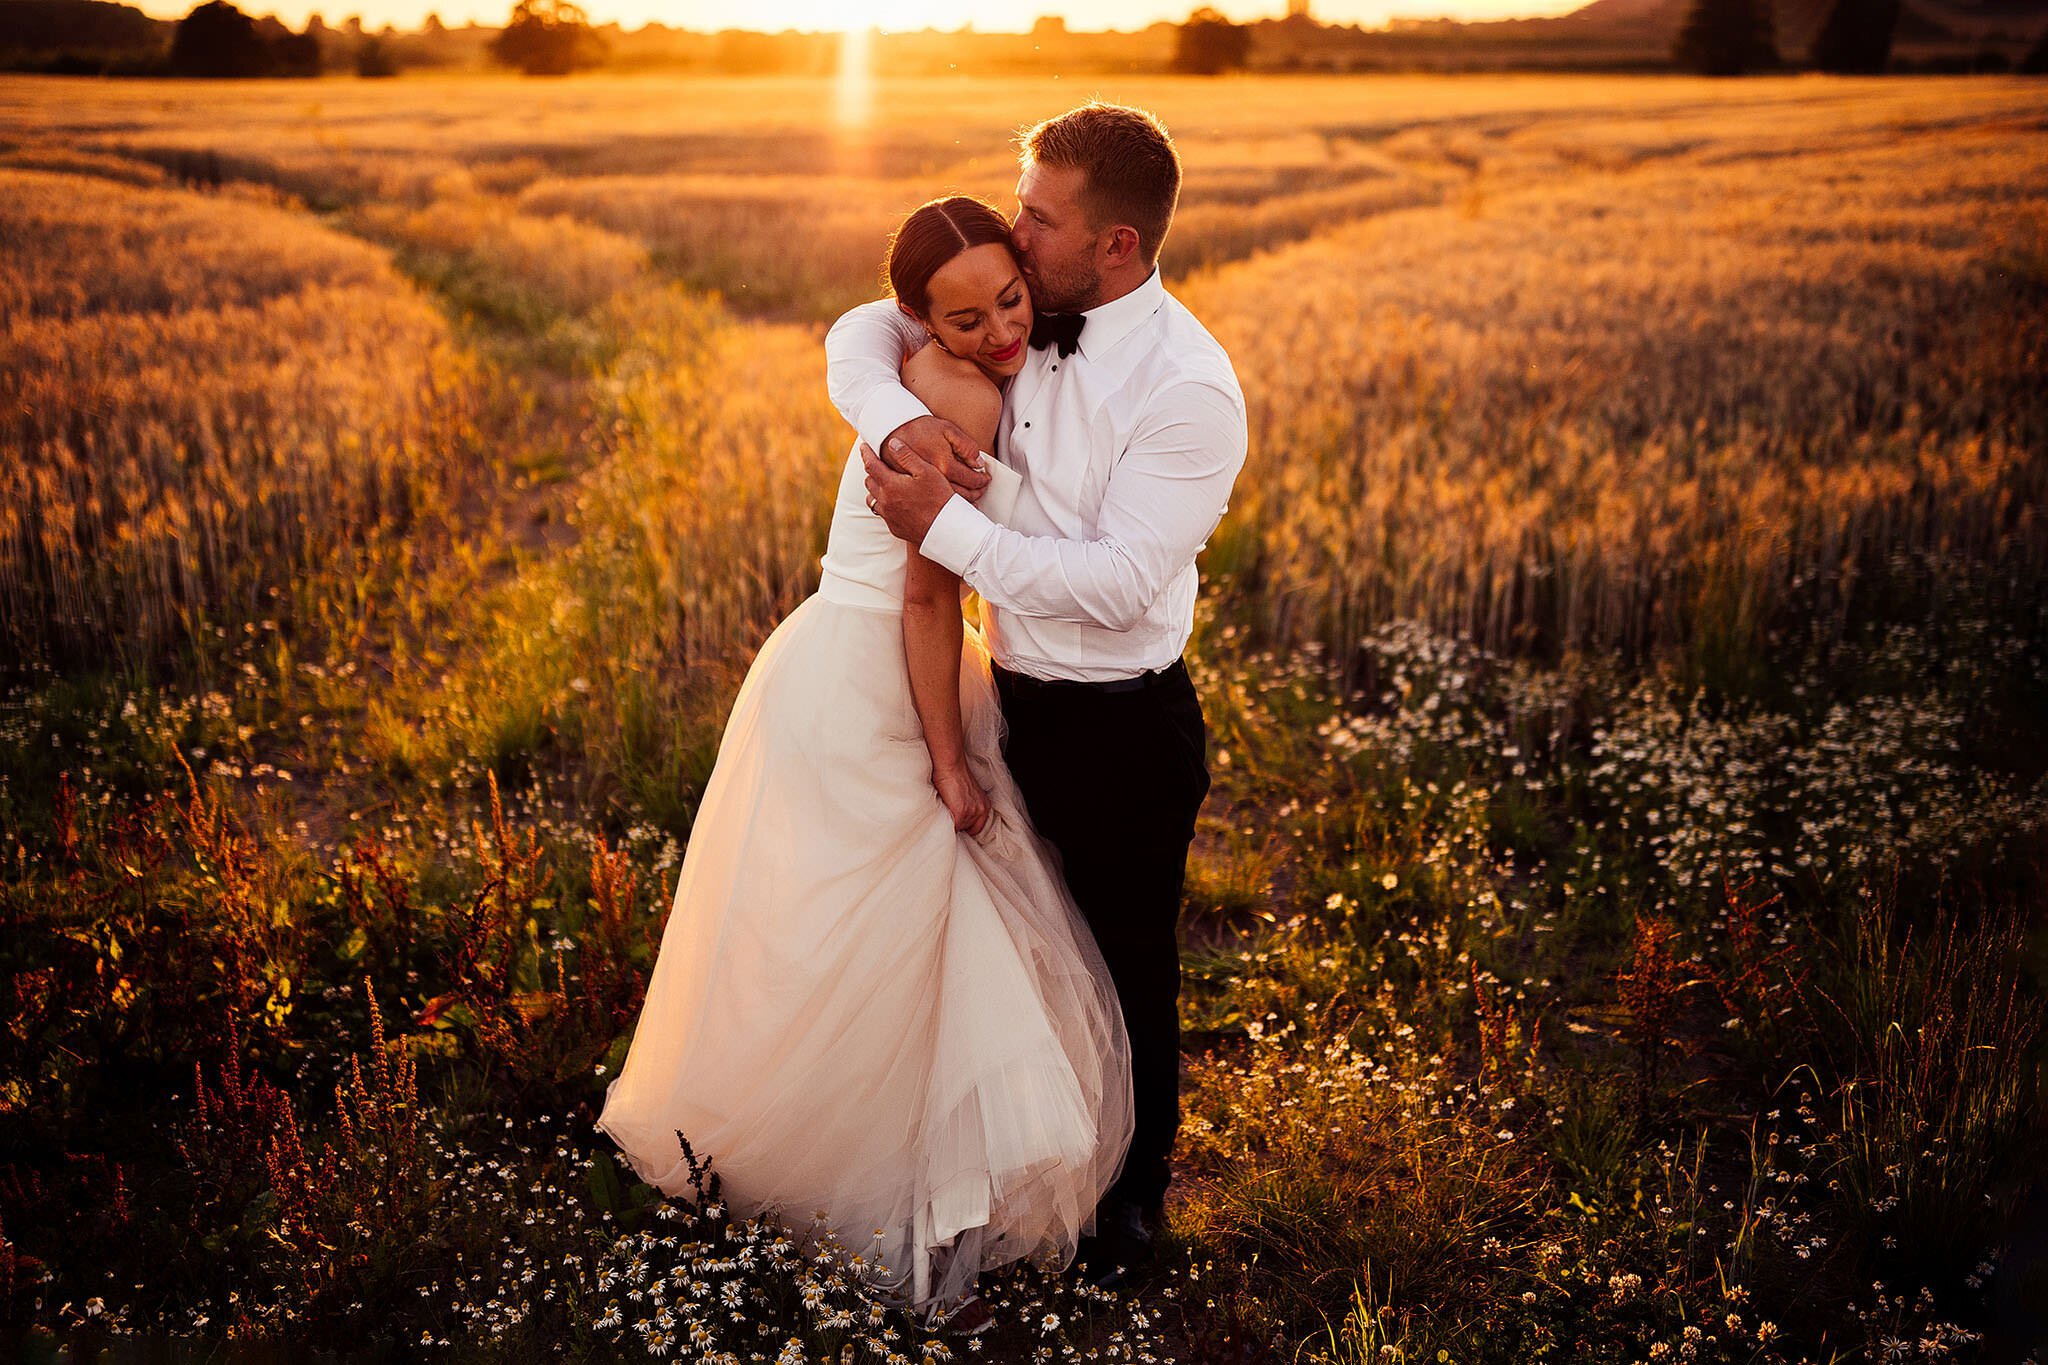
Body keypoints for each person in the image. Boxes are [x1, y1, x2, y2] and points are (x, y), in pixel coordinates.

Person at [595, 196, 1134, 1325]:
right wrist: (947, 757)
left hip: (836, 653)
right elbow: (930, 592)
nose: (997, 328)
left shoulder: (917, 366)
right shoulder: (955, 395)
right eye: (964, 314)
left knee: (840, 931)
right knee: (911, 925)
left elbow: (866, 346)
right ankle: (901, 1229)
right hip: (886, 674)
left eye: (1008, 298)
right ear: (916, 322)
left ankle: (823, 1166)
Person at [830, 101, 1249, 1289]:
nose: (1016, 230)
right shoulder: (1019, 314)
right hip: (1002, 699)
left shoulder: (1187, 389)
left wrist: (948, 529)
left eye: (1037, 214)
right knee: (1018, 957)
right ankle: (1032, 1166)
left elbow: (1118, 588)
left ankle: (1132, 1198)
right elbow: (865, 325)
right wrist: (895, 417)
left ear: (1113, 246)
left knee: (1125, 964)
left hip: (1123, 724)